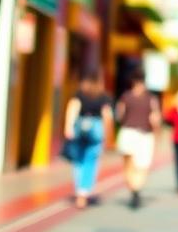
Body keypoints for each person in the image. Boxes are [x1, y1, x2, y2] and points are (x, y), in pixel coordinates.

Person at [63, 73, 114, 209]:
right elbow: (107, 115)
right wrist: (109, 135)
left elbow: (73, 108)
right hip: (96, 128)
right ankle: (84, 191)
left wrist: (68, 127)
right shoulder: (103, 96)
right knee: (91, 161)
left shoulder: (79, 94)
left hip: (80, 127)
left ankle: (79, 190)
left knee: (78, 160)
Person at [116, 70, 160, 209]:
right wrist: (157, 133)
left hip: (128, 132)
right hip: (144, 135)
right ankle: (137, 189)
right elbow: (155, 118)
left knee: (128, 165)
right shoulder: (151, 98)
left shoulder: (126, 96)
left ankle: (133, 189)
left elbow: (119, 115)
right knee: (142, 166)